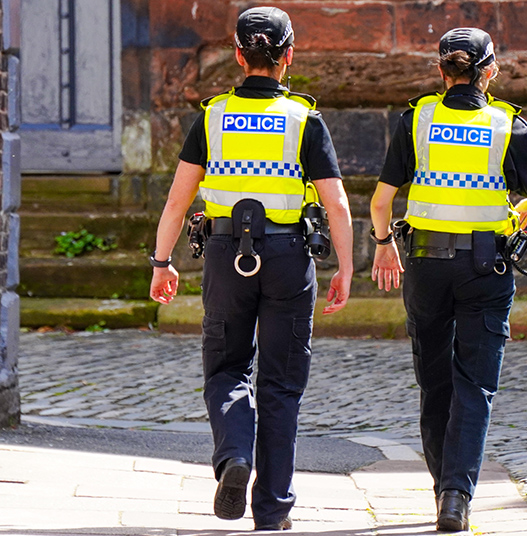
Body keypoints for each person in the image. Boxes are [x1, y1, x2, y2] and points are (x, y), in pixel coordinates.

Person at [148, 6, 353, 531]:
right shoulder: (306, 120)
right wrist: (346, 268)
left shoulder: (212, 117)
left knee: (225, 370)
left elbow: (176, 202)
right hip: (287, 258)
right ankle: (273, 511)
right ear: (288, 57)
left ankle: (235, 454)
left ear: (239, 56)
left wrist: (162, 262)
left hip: (222, 254)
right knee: (281, 387)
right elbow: (337, 206)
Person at [369, 27, 527, 532]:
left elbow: (382, 201)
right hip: (485, 267)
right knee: (474, 386)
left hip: (427, 266)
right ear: (490, 71)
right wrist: (519, 209)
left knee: (435, 383)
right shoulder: (507, 124)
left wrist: (384, 246)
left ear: (441, 71)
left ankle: (443, 488)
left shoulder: (417, 118)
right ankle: (456, 496)